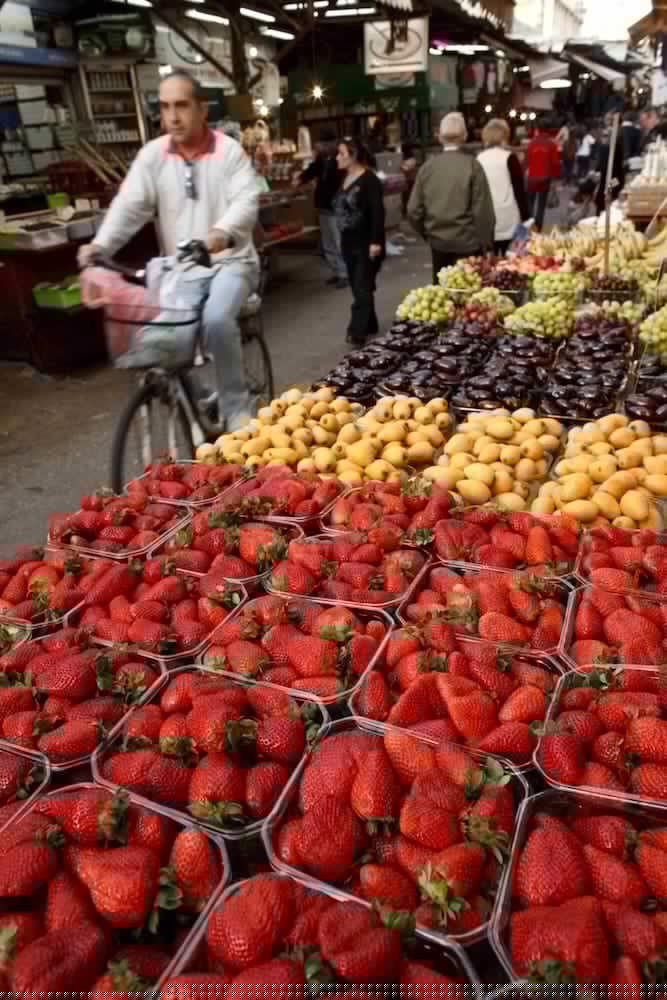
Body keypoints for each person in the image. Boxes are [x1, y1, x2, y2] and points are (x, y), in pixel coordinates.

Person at [78, 69, 259, 434]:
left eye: (181, 106)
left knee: (215, 319)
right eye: (164, 107)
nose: (173, 116)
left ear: (201, 109)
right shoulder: (153, 156)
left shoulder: (228, 152)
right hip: (184, 268)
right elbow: (130, 206)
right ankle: (201, 392)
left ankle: (237, 406)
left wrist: (221, 232)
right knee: (166, 335)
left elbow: (246, 199)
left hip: (232, 262)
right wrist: (100, 245)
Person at [408, 112, 495, 283]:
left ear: (440, 137)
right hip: (469, 244)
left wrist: (427, 233)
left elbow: (413, 210)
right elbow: (482, 211)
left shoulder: (427, 168)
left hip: (438, 243)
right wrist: (487, 243)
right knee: (471, 299)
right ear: (465, 136)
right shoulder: (473, 165)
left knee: (442, 298)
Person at [333, 137, 385, 345]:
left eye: (341, 153)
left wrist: (376, 241)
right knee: (358, 285)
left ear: (353, 156)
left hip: (366, 242)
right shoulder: (344, 177)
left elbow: (377, 212)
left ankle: (356, 331)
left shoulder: (369, 180)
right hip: (348, 241)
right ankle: (370, 322)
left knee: (362, 286)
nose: (337, 157)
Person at [293, 126, 347, 288]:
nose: (320, 146)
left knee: (339, 242)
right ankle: (337, 272)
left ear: (333, 143)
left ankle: (345, 274)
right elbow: (312, 170)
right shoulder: (322, 158)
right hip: (323, 205)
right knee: (328, 242)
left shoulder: (342, 157)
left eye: (323, 143)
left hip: (336, 206)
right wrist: (300, 179)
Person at [477, 118, 530, 255]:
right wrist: (527, 218)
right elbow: (519, 191)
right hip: (511, 218)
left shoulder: (479, 159)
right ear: (505, 135)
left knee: (491, 266)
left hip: (488, 220)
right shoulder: (510, 157)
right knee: (514, 263)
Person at [525, 125, 561, 232]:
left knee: (530, 202)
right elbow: (555, 163)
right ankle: (538, 227)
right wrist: (555, 179)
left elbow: (527, 160)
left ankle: (529, 224)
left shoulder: (531, 143)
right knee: (541, 204)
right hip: (545, 178)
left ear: (538, 130)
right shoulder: (551, 144)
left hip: (532, 177)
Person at [595, 128, 626, 215]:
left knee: (604, 202)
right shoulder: (614, 147)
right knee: (606, 202)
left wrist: (608, 188)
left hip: (611, 180)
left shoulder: (608, 148)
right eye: (603, 136)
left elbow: (605, 167)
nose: (603, 138)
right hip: (614, 180)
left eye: (605, 136)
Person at [400, 143, 418, 218]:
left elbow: (405, 169)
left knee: (407, 197)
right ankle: (406, 213)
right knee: (406, 197)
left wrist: (401, 165)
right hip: (409, 180)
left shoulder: (410, 160)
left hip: (409, 180)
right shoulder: (412, 159)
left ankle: (407, 213)